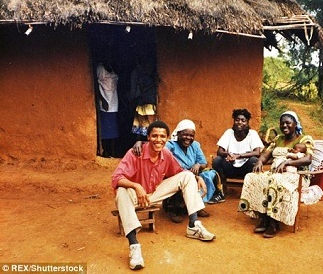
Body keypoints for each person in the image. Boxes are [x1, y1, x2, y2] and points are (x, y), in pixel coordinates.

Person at [112, 121, 215, 270]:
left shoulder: (166, 154)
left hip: (154, 193)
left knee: (187, 176)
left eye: (162, 136)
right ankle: (134, 246)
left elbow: (179, 173)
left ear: (167, 138)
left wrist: (196, 177)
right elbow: (116, 178)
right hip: (134, 196)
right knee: (122, 190)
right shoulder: (135, 152)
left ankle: (193, 225)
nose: (158, 140)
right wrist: (136, 186)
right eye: (154, 136)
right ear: (148, 137)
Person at [238, 111, 323, 238]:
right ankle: (264, 217)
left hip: (298, 175)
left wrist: (288, 162)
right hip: (276, 173)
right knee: (252, 177)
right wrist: (260, 162)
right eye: (282, 123)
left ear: (295, 124)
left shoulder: (304, 139)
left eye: (288, 123)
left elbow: (308, 159)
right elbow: (266, 154)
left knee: (275, 181)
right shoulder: (278, 139)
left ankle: (274, 222)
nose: (285, 126)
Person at [133, 119, 216, 223]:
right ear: (178, 134)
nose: (188, 138)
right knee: (177, 178)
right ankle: (175, 209)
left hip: (192, 173)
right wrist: (140, 142)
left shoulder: (195, 145)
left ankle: (197, 207)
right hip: (176, 173)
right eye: (185, 135)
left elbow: (204, 162)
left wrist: (198, 165)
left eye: (191, 136)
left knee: (209, 174)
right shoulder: (171, 145)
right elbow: (156, 144)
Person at [211, 108, 265, 204]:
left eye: (243, 120)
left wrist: (239, 156)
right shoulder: (229, 133)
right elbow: (219, 151)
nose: (239, 122)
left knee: (254, 160)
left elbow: (257, 152)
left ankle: (251, 195)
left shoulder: (252, 134)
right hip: (230, 167)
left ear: (247, 123)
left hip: (245, 168)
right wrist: (229, 154)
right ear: (234, 121)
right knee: (217, 160)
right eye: (237, 120)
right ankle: (220, 192)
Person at [97, 62, 119, 157]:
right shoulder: (101, 68)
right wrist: (102, 99)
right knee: (106, 129)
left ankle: (112, 152)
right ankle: (106, 152)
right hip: (105, 102)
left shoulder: (111, 67)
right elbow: (96, 84)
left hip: (114, 101)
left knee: (113, 129)